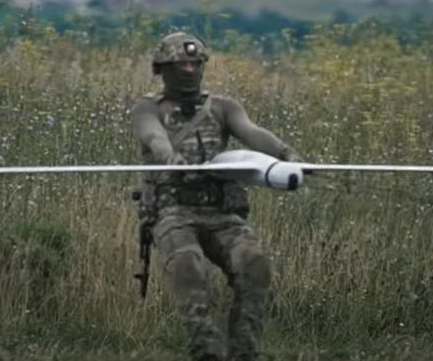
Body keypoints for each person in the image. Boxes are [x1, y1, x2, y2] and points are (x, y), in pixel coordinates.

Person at [130, 32, 303, 361]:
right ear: (163, 69)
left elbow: (251, 132)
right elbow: (153, 136)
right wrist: (169, 157)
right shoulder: (148, 108)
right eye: (182, 65)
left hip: (222, 213)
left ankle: (245, 352)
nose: (190, 70)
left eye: (195, 63)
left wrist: (286, 154)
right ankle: (206, 349)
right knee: (188, 266)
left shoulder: (223, 107)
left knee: (255, 265)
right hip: (173, 212)